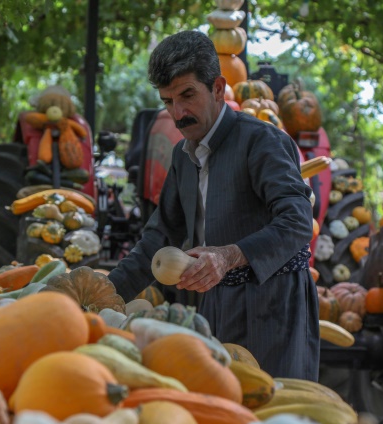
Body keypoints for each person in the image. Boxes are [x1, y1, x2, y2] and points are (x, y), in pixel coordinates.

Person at [107, 30, 320, 380]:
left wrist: (227, 256)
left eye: (187, 96)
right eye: (168, 101)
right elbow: (157, 242)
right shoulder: (182, 155)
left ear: (219, 88)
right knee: (224, 410)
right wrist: (100, 295)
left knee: (271, 418)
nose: (178, 113)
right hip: (218, 303)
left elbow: (298, 222)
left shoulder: (262, 141)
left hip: (274, 307)